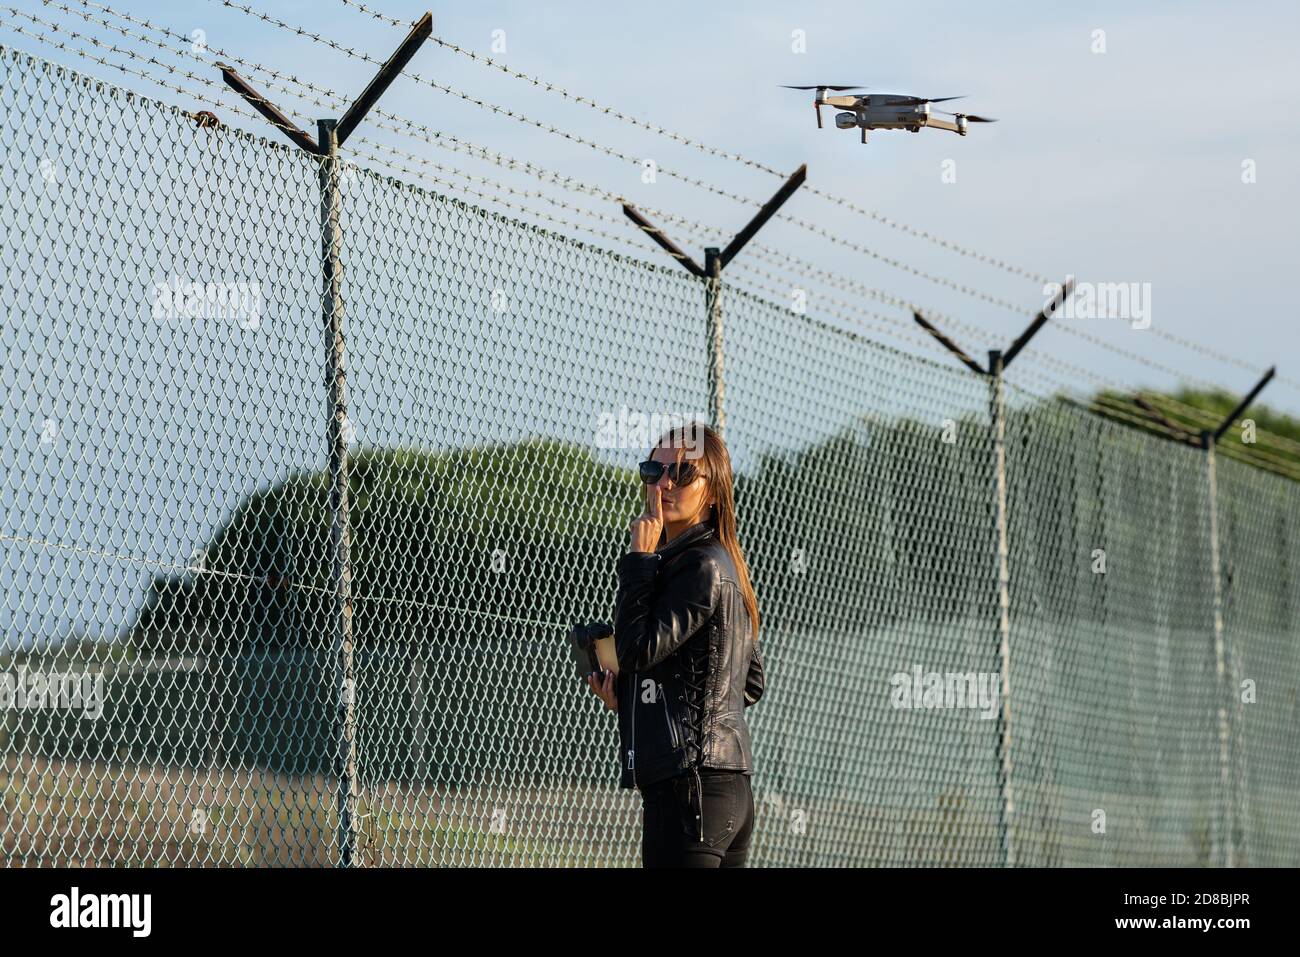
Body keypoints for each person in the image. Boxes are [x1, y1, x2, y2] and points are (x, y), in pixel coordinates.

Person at [584, 422, 765, 867]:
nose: (663, 483)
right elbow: (749, 682)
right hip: (727, 789)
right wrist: (632, 694)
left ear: (715, 491)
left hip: (690, 791)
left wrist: (639, 560)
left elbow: (635, 650)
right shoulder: (720, 563)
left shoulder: (693, 566)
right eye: (654, 470)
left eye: (682, 474)